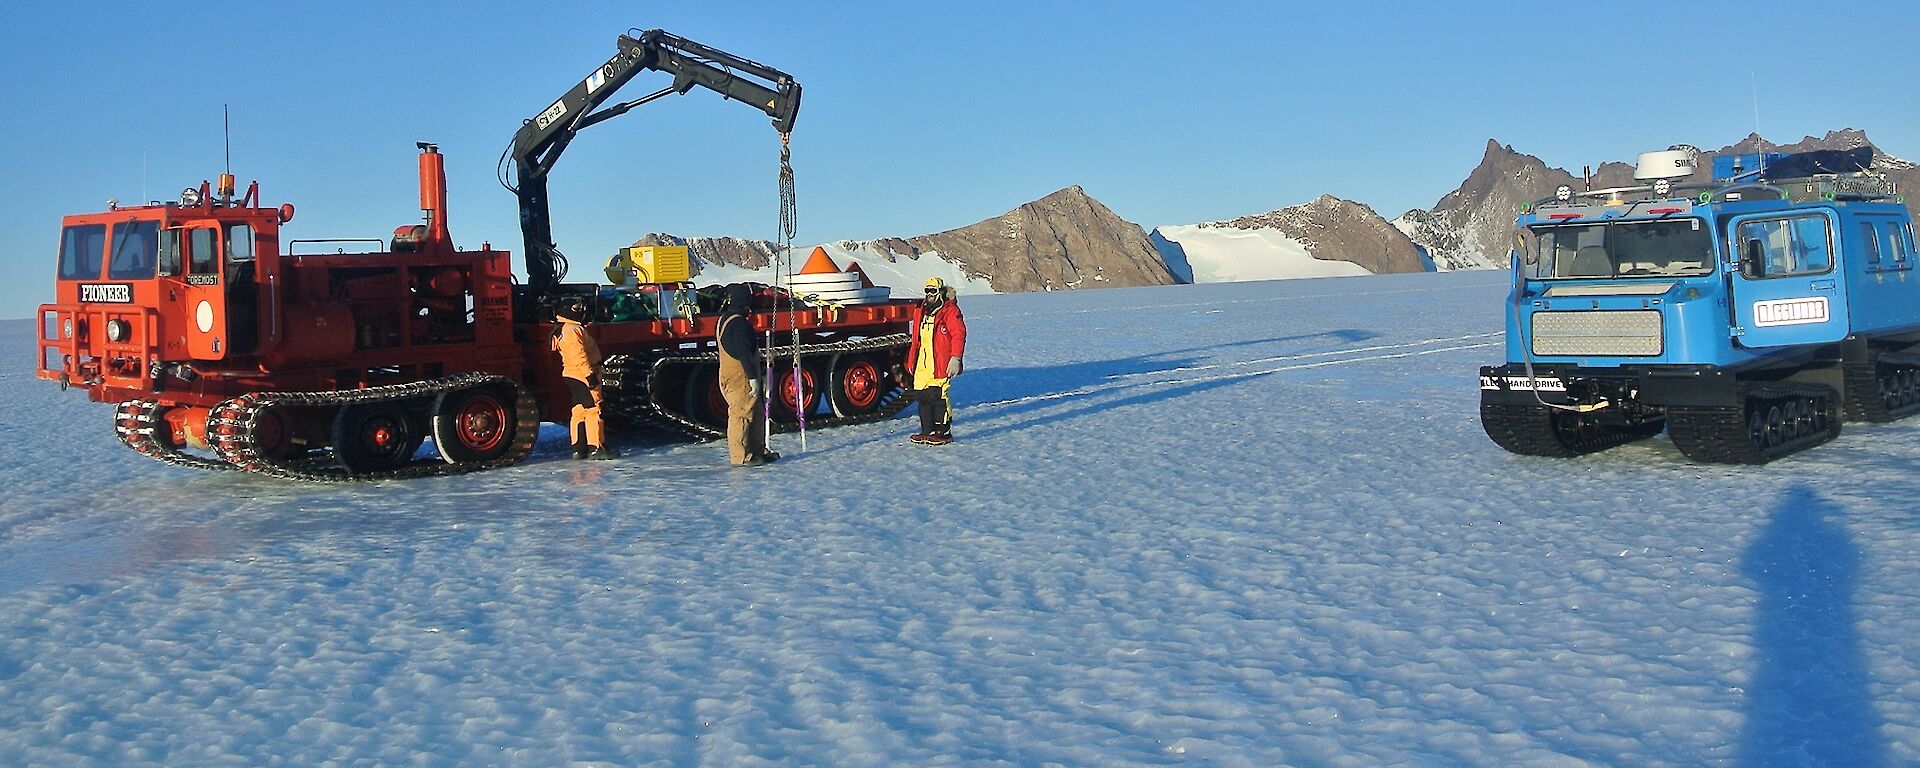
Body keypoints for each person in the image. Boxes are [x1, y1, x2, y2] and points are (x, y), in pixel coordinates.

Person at [716, 283, 779, 467]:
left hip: (727, 373)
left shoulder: (725, 320)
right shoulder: (740, 324)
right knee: (741, 414)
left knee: (755, 412)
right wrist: (753, 378)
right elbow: (744, 353)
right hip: (740, 377)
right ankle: (741, 456)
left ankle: (757, 450)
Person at [551, 296, 618, 460]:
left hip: (571, 373)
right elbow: (578, 355)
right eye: (576, 308)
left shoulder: (563, 329)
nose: (580, 311)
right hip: (582, 374)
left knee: (579, 410)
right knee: (594, 409)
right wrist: (589, 376)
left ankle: (579, 447)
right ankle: (596, 447)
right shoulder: (573, 330)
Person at [902, 277, 967, 445]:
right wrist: (912, 361)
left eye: (933, 291)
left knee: (938, 395)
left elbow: (958, 334)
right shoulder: (922, 310)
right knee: (922, 395)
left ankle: (943, 432)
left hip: (940, 360)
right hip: (923, 361)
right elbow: (917, 339)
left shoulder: (949, 311)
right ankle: (927, 430)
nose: (929, 294)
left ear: (940, 292)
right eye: (927, 291)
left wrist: (955, 358)